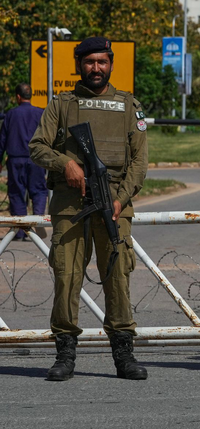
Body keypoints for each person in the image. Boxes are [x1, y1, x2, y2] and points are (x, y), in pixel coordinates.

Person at [29, 36, 149, 381]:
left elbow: (139, 162)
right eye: (89, 62)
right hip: (70, 207)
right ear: (78, 64)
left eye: (102, 62)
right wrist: (65, 162)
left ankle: (124, 355)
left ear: (110, 64)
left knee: (118, 279)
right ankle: (65, 354)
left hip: (113, 207)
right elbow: (37, 146)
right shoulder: (62, 105)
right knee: (67, 278)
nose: (96, 68)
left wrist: (120, 199)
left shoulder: (128, 105)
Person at [0, 83, 47, 240]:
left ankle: (20, 231)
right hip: (36, 159)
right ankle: (38, 220)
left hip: (16, 160)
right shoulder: (40, 113)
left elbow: (2, 140)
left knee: (16, 194)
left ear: (18, 97)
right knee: (39, 190)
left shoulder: (11, 114)